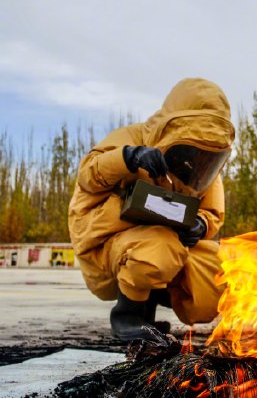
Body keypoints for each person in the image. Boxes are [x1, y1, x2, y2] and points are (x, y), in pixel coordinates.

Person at [68, 78, 235, 341]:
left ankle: (148, 311)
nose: (195, 160)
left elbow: (212, 212)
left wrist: (200, 225)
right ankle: (127, 315)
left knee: (224, 265)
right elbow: (88, 175)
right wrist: (129, 158)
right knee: (159, 246)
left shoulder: (205, 163)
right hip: (105, 243)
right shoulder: (130, 137)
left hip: (165, 247)